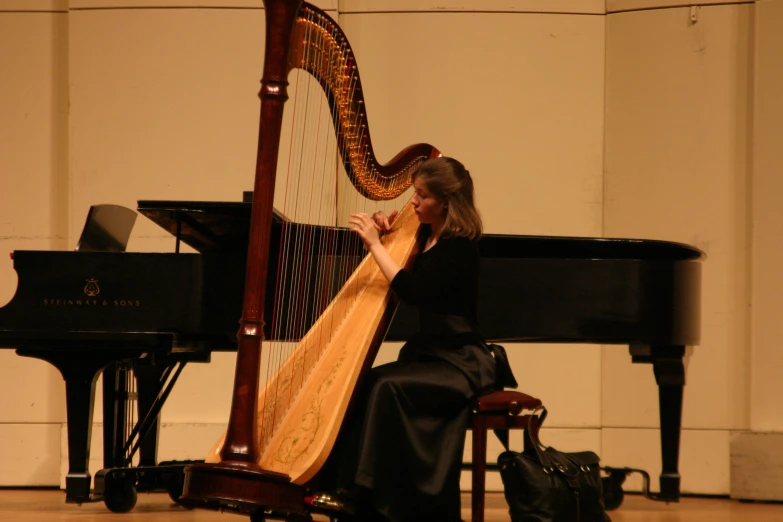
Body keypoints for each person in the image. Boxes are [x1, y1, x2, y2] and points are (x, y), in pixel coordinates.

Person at [314, 157, 497, 522]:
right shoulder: (427, 234)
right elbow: (406, 260)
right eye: (414, 193)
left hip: (460, 361)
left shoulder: (460, 248)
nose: (412, 202)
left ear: (446, 201)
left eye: (421, 196)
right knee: (362, 383)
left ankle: (359, 494)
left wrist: (373, 245)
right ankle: (339, 488)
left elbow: (413, 291)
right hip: (429, 355)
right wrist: (386, 232)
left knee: (385, 386)